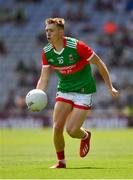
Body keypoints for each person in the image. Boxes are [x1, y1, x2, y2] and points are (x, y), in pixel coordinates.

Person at [34, 18, 119, 168]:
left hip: (84, 92)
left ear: (61, 32)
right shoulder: (46, 52)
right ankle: (61, 162)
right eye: (46, 30)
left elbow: (99, 63)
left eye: (51, 30)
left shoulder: (77, 46)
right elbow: (44, 78)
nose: (48, 33)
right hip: (65, 90)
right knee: (57, 127)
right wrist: (37, 94)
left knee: (72, 131)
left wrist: (110, 86)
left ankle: (85, 135)